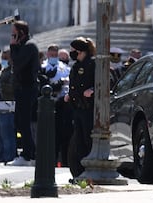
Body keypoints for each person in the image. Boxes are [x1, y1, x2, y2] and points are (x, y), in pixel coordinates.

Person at [7, 20, 40, 166]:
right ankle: (28, 152)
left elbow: (18, 63)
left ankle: (28, 155)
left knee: (24, 122)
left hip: (27, 88)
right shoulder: (23, 46)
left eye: (14, 32)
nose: (12, 35)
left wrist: (13, 47)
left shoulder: (29, 46)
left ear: (20, 32)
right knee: (20, 122)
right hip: (21, 89)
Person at [64, 37, 95, 177]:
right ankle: (80, 171)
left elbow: (103, 82)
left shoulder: (92, 64)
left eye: (74, 51)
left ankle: (89, 169)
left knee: (88, 139)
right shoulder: (76, 66)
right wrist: (69, 95)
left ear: (81, 51)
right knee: (79, 140)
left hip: (88, 108)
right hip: (77, 108)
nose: (72, 53)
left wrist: (92, 90)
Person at [40, 44, 72, 167]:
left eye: (55, 55)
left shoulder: (65, 68)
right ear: (47, 54)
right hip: (47, 104)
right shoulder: (42, 67)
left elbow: (66, 85)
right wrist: (58, 84)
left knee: (62, 133)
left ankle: (63, 161)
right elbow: (44, 83)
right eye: (51, 55)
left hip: (61, 104)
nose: (53, 57)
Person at [0, 48, 17, 164]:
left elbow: (12, 87)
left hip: (8, 105)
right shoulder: (2, 70)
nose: (4, 60)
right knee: (0, 133)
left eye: (6, 58)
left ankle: (9, 156)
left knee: (6, 132)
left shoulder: (12, 71)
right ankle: (2, 155)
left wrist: (0, 85)